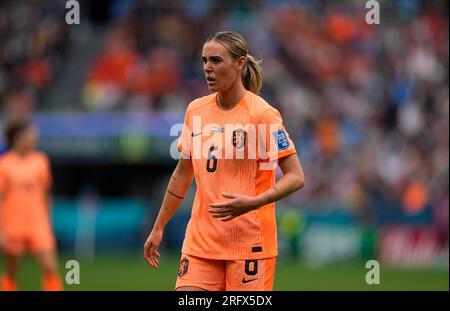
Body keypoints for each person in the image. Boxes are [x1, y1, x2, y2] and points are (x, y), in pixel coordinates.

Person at [144, 31, 305, 291]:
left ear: (239, 63)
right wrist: (159, 226)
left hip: (250, 246)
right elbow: (183, 174)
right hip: (200, 244)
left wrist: (253, 203)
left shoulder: (263, 115)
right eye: (204, 60)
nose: (207, 68)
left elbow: (296, 176)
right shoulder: (195, 110)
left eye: (216, 61)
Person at [0, 119, 63, 291]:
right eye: (30, 133)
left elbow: (46, 193)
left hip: (38, 223)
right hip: (12, 223)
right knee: (11, 273)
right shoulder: (4, 164)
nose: (35, 137)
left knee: (50, 268)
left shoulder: (41, 160)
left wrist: (48, 220)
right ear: (18, 137)